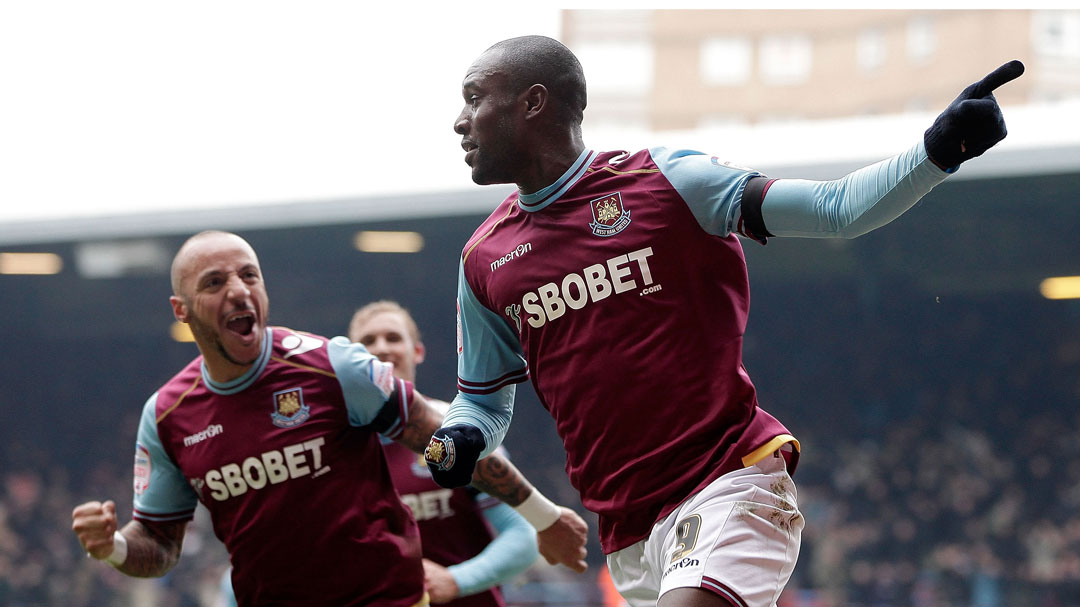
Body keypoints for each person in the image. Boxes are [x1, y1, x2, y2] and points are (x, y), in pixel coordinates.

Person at [422, 35, 1024, 607]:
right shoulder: (484, 258)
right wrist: (457, 439)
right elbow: (483, 399)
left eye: (476, 97)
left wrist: (939, 151)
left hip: (728, 481)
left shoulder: (664, 181)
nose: (460, 120)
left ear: (533, 102)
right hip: (628, 530)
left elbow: (834, 209)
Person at [71, 230, 587, 607]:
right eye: (214, 281)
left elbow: (448, 441)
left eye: (249, 274)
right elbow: (159, 545)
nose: (238, 289)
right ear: (181, 310)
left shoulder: (332, 366)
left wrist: (544, 517)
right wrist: (112, 547)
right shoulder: (167, 416)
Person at [349, 300, 538, 606]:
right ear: (352, 360)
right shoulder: (342, 449)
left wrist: (455, 580)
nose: (381, 348)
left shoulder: (457, 431)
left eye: (393, 338)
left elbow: (524, 536)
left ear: (417, 352)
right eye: (368, 341)